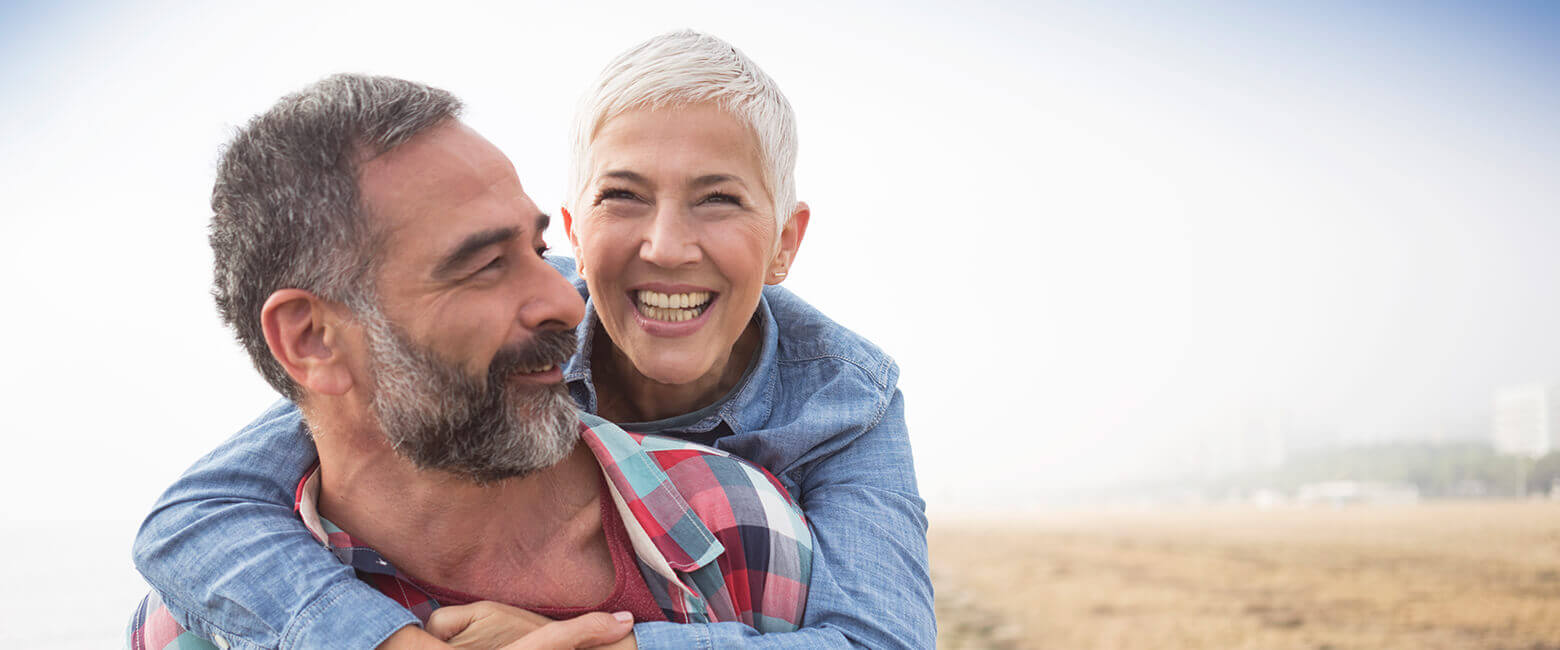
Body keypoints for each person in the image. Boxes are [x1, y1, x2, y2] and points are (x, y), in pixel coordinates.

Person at [134, 30, 933, 649]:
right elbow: (206, 507)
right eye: (624, 197)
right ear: (576, 234)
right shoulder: (517, 333)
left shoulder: (843, 400)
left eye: (718, 199)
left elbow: (884, 637)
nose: (665, 245)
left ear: (785, 244)